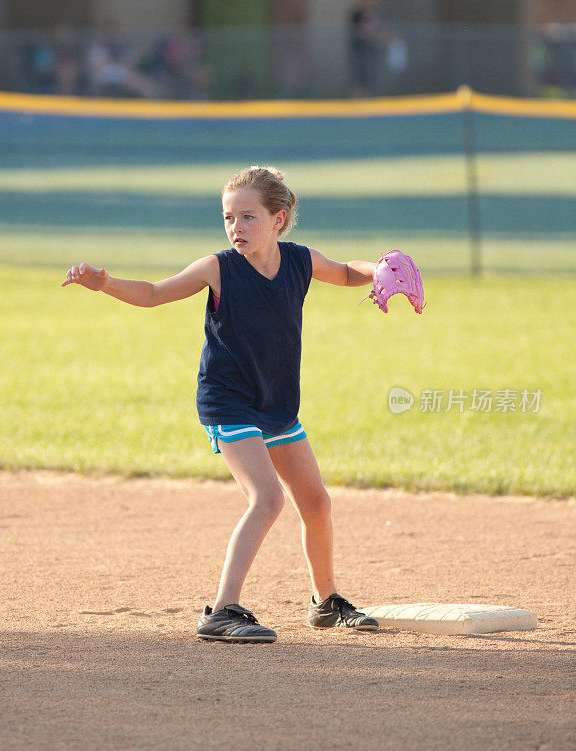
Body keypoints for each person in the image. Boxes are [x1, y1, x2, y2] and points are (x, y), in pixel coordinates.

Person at [62, 166, 382, 643]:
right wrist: (105, 283)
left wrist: (382, 269)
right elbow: (153, 294)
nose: (236, 227)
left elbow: (346, 272)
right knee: (268, 498)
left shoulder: (299, 261)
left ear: (280, 218)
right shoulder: (219, 268)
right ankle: (222, 610)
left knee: (316, 501)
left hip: (276, 403)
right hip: (228, 402)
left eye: (248, 217)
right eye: (229, 217)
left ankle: (325, 602)